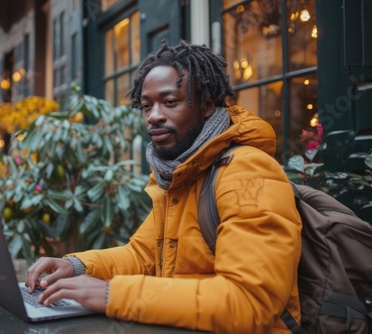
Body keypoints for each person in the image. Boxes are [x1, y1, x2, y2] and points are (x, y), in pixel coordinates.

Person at [26, 40, 303, 333]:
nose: (154, 116)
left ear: (207, 106)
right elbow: (142, 256)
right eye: (146, 106)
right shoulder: (179, 174)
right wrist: (76, 266)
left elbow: (250, 302)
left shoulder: (247, 171)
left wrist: (113, 295)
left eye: (170, 102)